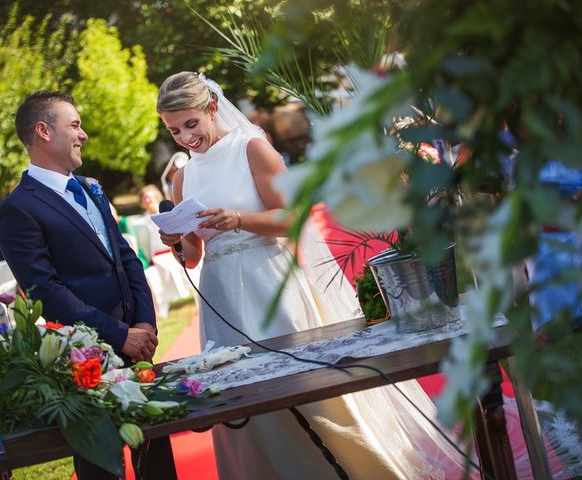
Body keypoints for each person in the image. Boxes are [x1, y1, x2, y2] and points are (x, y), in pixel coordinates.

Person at [155, 71, 481, 480]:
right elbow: (193, 254)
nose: (185, 137)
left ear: (212, 108)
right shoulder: (183, 176)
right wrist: (177, 238)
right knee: (239, 401)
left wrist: (239, 218)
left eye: (191, 124)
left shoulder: (251, 148)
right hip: (220, 298)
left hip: (270, 281)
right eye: (174, 130)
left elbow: (292, 219)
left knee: (305, 391)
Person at [0, 91, 177, 480]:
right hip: (86, 359)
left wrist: (145, 325)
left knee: (158, 462)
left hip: (137, 345)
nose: (84, 134)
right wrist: (118, 334)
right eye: (74, 125)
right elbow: (46, 290)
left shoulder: (92, 188)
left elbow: (126, 258)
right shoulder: (17, 209)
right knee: (103, 468)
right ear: (43, 131)